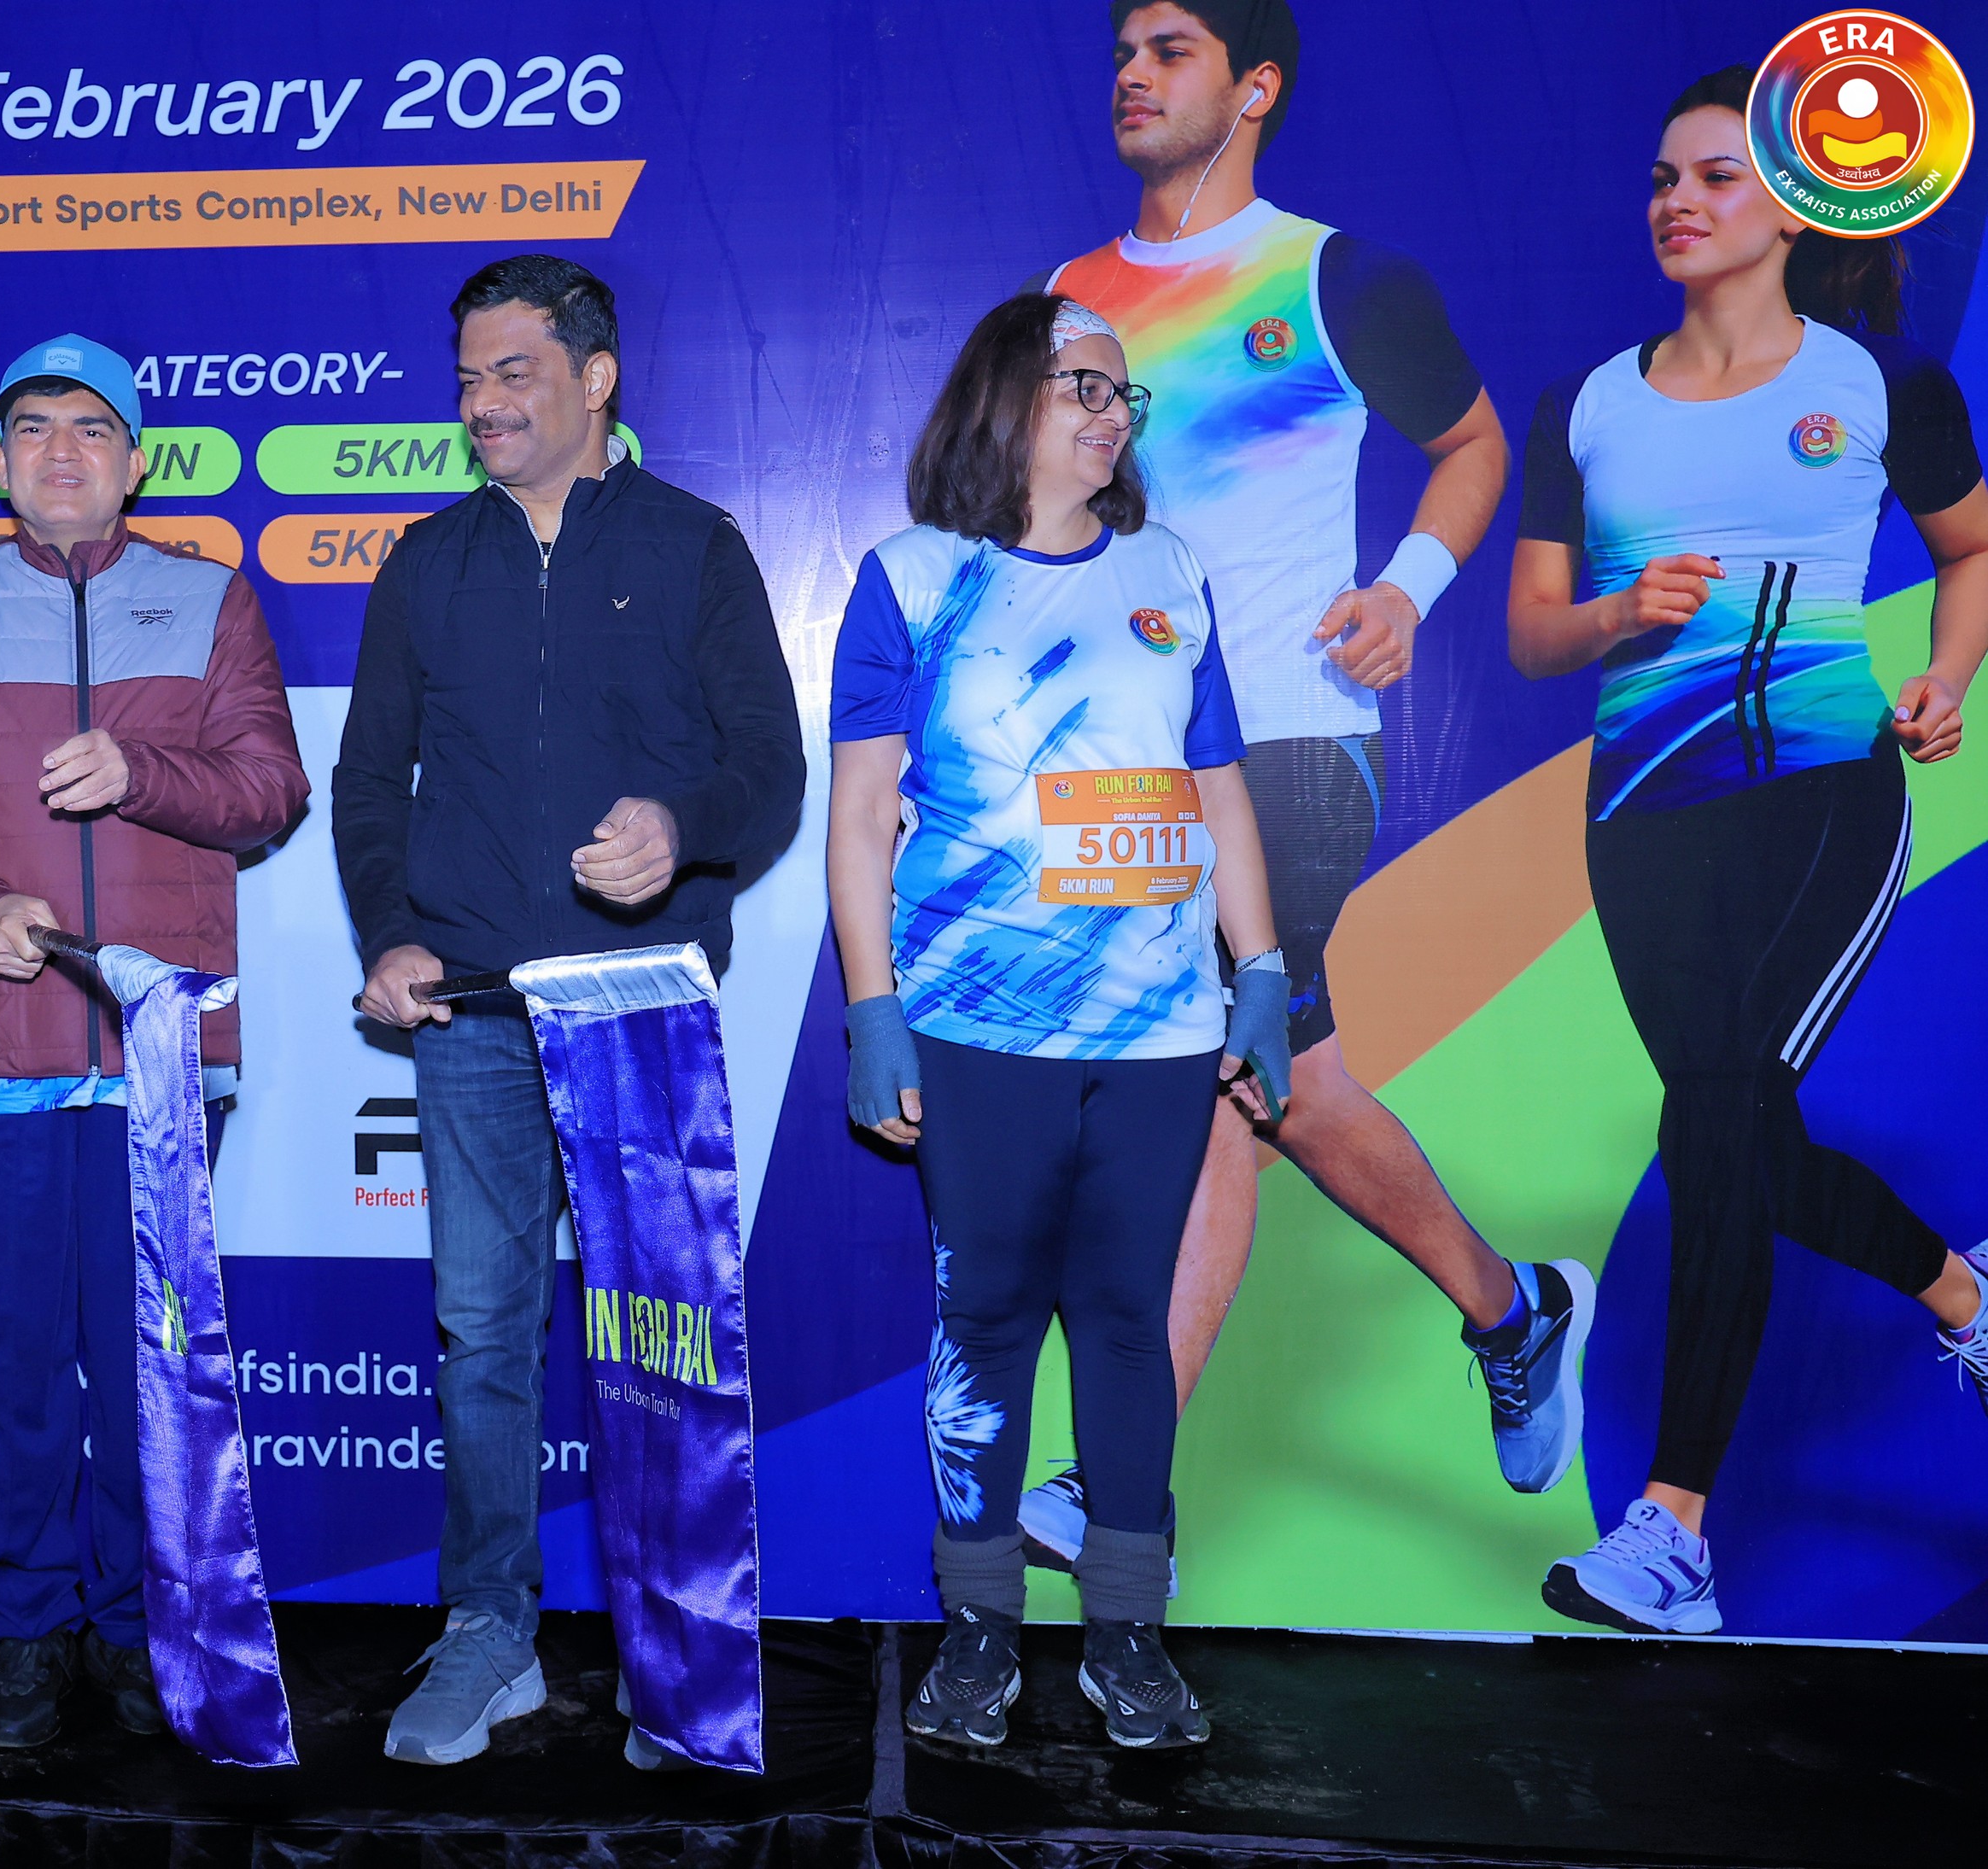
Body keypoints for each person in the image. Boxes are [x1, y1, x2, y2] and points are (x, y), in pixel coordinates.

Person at [1015, 0, 1589, 1576]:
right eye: (1123, 51)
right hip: (1125, 764)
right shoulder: (1071, 299)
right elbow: (1051, 532)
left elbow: (1475, 445)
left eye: (1173, 50)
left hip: (1291, 738)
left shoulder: (1336, 276)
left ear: (1254, 86)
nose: (1135, 74)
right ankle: (1512, 1307)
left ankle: (1122, 1474)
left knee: (1228, 1072)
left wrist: (1406, 586)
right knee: (1264, 1086)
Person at [1508, 68, 1988, 1635]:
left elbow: (1974, 546)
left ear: (1792, 206)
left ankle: (1675, 1531)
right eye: (1664, 177)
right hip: (1640, 818)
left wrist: (1948, 676)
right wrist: (1614, 614)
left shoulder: (1882, 382)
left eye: (1717, 176)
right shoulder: (1586, 402)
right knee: (1737, 1135)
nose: (1679, 202)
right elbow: (1531, 634)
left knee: (1715, 1109)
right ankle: (1967, 1294)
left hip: (1822, 792)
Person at [334, 254, 803, 1767]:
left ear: (596, 378)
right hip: (470, 1014)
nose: (482, 403)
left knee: (657, 1336)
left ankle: (681, 1659)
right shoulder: (425, 563)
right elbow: (367, 780)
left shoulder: (695, 547)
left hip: (637, 1008)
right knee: (482, 1332)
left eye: (513, 371)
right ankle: (490, 1629)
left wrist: (681, 826)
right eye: (467, 378)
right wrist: (392, 932)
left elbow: (770, 770)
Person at [0, 334, 307, 1745]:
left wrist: (141, 771)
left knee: (152, 1355)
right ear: (0, 462)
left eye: (92, 428)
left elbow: (272, 788)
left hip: (159, 1049)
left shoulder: (213, 598)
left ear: (135, 460)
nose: (62, 452)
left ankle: (142, 1618)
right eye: (33, 428)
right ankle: (29, 1624)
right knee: (16, 1357)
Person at [833, 292, 1287, 1749]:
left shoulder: (1170, 569)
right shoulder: (913, 577)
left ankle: (1128, 1636)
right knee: (984, 1324)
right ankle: (978, 1631)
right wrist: (873, 1009)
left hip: (1160, 1035)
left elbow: (1219, 786)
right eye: (1084, 386)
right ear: (1006, 399)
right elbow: (860, 813)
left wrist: (1263, 970)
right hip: (977, 1030)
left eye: (1122, 394)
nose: (1113, 414)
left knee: (1126, 1325)